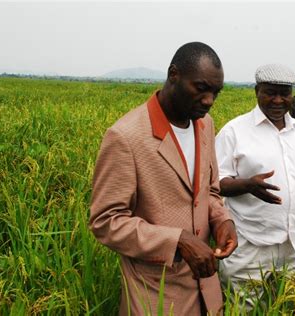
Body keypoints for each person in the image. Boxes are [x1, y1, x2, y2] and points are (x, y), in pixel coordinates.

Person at [90, 42, 237, 315]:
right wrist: (176, 241)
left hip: (206, 289)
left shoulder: (205, 125)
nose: (209, 101)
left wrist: (222, 220)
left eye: (215, 92)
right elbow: (106, 221)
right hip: (154, 294)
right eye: (201, 88)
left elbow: (210, 191)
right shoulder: (126, 137)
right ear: (174, 75)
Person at [215, 64, 295, 306]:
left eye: (284, 93)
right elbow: (214, 184)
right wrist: (247, 185)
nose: (277, 100)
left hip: (292, 243)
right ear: (257, 92)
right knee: (243, 308)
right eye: (270, 92)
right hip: (251, 244)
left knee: (285, 306)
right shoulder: (235, 131)